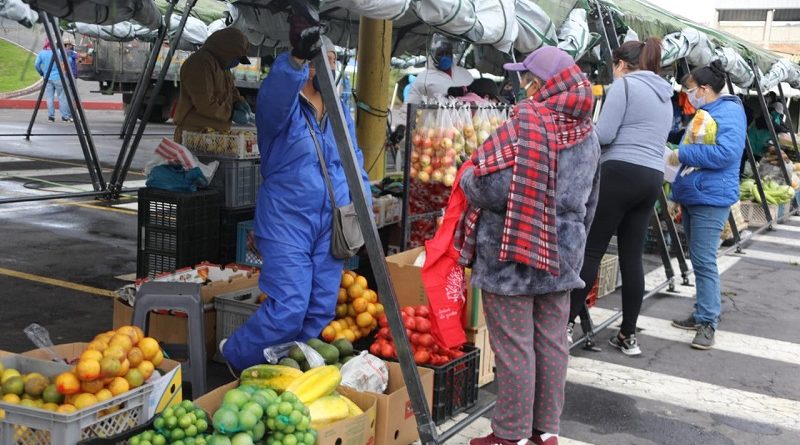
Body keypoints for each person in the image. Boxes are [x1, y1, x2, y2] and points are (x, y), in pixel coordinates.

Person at [458, 46, 601, 445]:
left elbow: (492, 187)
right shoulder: (587, 133)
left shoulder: (525, 123)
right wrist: (572, 242)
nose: (521, 84)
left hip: (513, 255)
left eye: (525, 77)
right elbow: (590, 201)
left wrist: (468, 176)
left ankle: (509, 435)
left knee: (515, 346)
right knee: (553, 344)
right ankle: (545, 432)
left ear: (538, 83)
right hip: (563, 253)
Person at [221, 20, 372, 371]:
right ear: (310, 66)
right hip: (287, 219)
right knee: (289, 306)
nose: (333, 68)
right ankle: (236, 355)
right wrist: (294, 59)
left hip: (331, 222)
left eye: (336, 60)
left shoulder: (338, 110)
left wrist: (362, 210)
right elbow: (274, 94)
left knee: (320, 307)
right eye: (326, 60)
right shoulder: (283, 110)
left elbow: (354, 162)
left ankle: (285, 369)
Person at [566, 38, 673, 356]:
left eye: (613, 67)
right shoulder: (666, 95)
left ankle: (565, 328)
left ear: (622, 65)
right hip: (651, 178)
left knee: (592, 250)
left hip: (620, 172)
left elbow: (605, 134)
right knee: (632, 257)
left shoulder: (625, 87)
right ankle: (628, 336)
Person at [668, 61, 746, 350]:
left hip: (710, 197)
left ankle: (708, 322)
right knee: (699, 260)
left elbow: (726, 154)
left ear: (704, 88)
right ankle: (702, 312)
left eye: (690, 89)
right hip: (695, 193)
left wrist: (683, 154)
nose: (687, 94)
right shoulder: (708, 112)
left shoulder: (729, 112)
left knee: (703, 261)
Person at [389, 34, 473, 145]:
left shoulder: (461, 76)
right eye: (440, 54)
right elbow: (410, 106)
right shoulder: (424, 79)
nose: (445, 57)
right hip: (433, 131)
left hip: (460, 131)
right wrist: (401, 127)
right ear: (433, 56)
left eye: (447, 53)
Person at [172, 27, 251, 143]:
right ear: (225, 51)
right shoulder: (200, 63)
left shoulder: (222, 64)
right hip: (195, 134)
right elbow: (204, 103)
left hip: (214, 134)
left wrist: (239, 101)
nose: (236, 63)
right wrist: (231, 114)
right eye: (236, 58)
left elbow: (230, 90)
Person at [34, 39, 72, 123]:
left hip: (47, 77)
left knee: (49, 97)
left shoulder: (42, 53)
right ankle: (64, 116)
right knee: (62, 97)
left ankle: (51, 116)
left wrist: (41, 72)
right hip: (58, 77)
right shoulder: (58, 52)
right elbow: (68, 60)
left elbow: (36, 64)